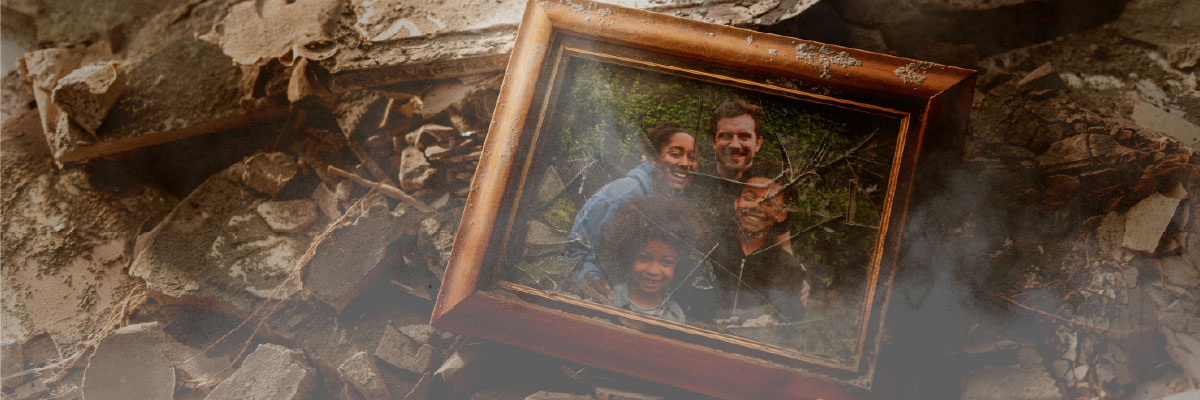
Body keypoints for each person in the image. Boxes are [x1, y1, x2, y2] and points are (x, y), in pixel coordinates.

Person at [567, 122, 699, 300]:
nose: (685, 163)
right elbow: (577, 248)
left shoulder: (676, 198)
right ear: (655, 159)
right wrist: (592, 279)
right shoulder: (622, 195)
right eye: (675, 154)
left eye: (692, 157)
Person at [707, 161, 809, 324]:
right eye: (749, 197)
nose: (756, 206)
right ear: (736, 203)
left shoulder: (787, 267)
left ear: (781, 214)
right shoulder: (710, 248)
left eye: (768, 202)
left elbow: (790, 323)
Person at [593, 196, 711, 323]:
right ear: (628, 256)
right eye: (644, 258)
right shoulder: (608, 298)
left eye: (666, 262)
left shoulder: (674, 315)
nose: (653, 271)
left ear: (679, 265)